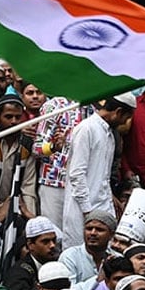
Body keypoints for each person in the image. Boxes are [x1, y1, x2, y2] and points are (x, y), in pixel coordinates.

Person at [63, 94, 136, 247]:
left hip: (101, 207)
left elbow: (102, 176)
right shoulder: (87, 129)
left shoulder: (109, 133)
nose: (125, 122)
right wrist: (88, 212)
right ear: (118, 112)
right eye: (126, 117)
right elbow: (77, 174)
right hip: (83, 211)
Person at [33, 97, 94, 233]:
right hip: (54, 183)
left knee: (79, 235)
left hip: (83, 185)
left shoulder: (93, 109)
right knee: (53, 234)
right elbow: (37, 148)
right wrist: (54, 146)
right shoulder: (54, 106)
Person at [5, 217, 59, 290]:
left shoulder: (59, 264)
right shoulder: (19, 272)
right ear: (30, 245)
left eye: (54, 240)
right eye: (46, 241)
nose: (52, 245)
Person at [59, 210, 116, 290]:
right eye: (89, 229)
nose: (93, 233)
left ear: (111, 235)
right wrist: (97, 279)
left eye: (99, 230)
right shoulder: (69, 257)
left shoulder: (116, 258)